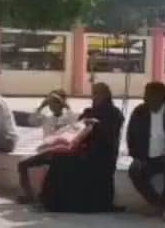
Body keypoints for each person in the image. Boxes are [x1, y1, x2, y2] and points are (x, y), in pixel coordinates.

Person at [38, 82, 126, 213]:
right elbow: (76, 129)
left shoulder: (114, 114)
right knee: (59, 159)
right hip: (84, 151)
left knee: (81, 164)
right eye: (93, 94)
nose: (94, 97)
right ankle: (53, 202)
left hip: (103, 155)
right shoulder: (89, 112)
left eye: (97, 94)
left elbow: (110, 136)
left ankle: (88, 205)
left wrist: (98, 125)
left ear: (106, 95)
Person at [125, 82, 165, 222]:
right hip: (146, 157)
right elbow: (131, 137)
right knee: (134, 170)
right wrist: (136, 156)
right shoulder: (139, 112)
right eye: (145, 95)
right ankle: (157, 202)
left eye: (149, 95)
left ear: (161, 97)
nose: (145, 98)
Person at [16, 91, 79, 203]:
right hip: (45, 151)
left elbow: (76, 126)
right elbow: (32, 121)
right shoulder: (47, 118)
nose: (52, 106)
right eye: (50, 103)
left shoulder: (68, 117)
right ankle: (28, 195)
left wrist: (67, 107)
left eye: (56, 103)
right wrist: (41, 107)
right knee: (22, 164)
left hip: (60, 153)